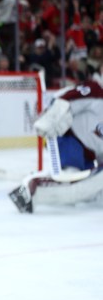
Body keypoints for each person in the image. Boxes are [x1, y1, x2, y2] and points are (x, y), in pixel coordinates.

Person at [9, 63, 103, 213]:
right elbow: (64, 99)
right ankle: (29, 190)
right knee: (71, 175)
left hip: (88, 156)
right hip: (70, 141)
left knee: (84, 187)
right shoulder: (96, 91)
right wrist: (51, 118)